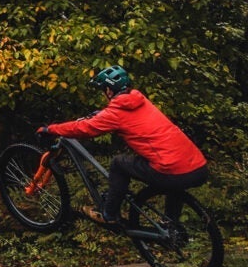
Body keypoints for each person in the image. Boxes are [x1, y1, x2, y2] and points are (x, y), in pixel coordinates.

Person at [40, 65, 209, 226]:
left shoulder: (116, 114)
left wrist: (51, 129)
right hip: (198, 168)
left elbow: (84, 128)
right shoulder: (140, 100)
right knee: (174, 183)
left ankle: (109, 215)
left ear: (109, 90)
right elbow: (128, 117)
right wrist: (102, 114)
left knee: (119, 164)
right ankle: (171, 226)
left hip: (173, 170)